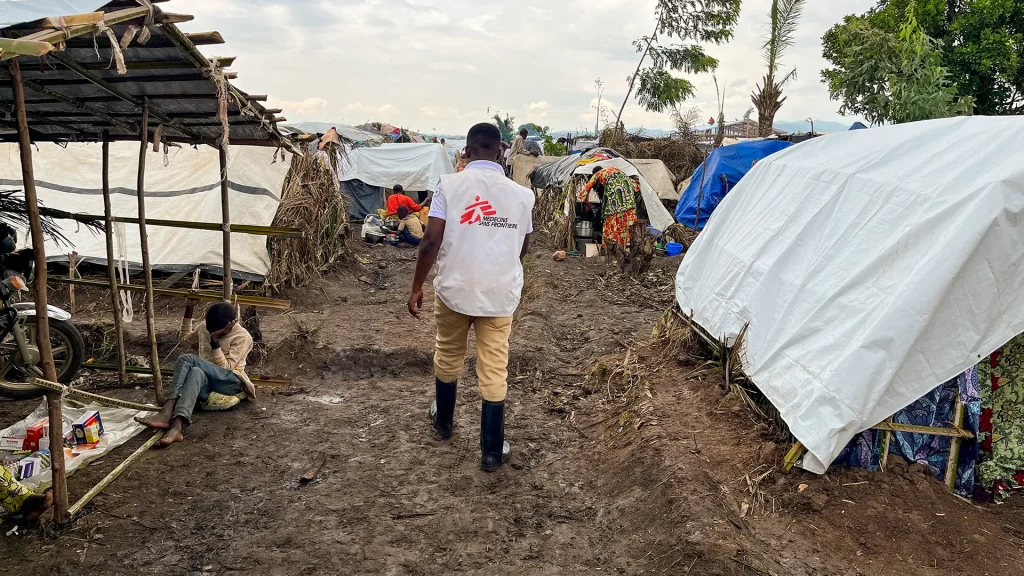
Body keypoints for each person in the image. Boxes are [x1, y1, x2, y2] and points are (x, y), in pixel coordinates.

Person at [408, 122, 534, 473]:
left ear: (466, 151)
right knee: (494, 367)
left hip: (454, 291)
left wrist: (417, 286)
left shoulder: (449, 185)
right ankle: (492, 451)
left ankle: (444, 423)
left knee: (448, 353)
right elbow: (523, 246)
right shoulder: (522, 196)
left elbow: (430, 241)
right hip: (499, 296)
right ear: (499, 152)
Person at [136, 300, 255, 447]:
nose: (212, 333)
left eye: (217, 331)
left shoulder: (243, 337)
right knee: (196, 371)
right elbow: (184, 340)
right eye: (210, 331)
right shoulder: (204, 327)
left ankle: (167, 410)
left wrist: (214, 341)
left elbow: (227, 368)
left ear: (231, 323)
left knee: (187, 359)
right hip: (207, 381)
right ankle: (177, 427)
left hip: (230, 382)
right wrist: (189, 309)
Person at [581, 166, 640, 249]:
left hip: (614, 202)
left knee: (611, 223)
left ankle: (609, 247)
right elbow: (636, 186)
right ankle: (626, 247)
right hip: (628, 201)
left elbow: (588, 186)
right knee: (626, 225)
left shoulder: (599, 173)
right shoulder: (618, 171)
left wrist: (584, 200)